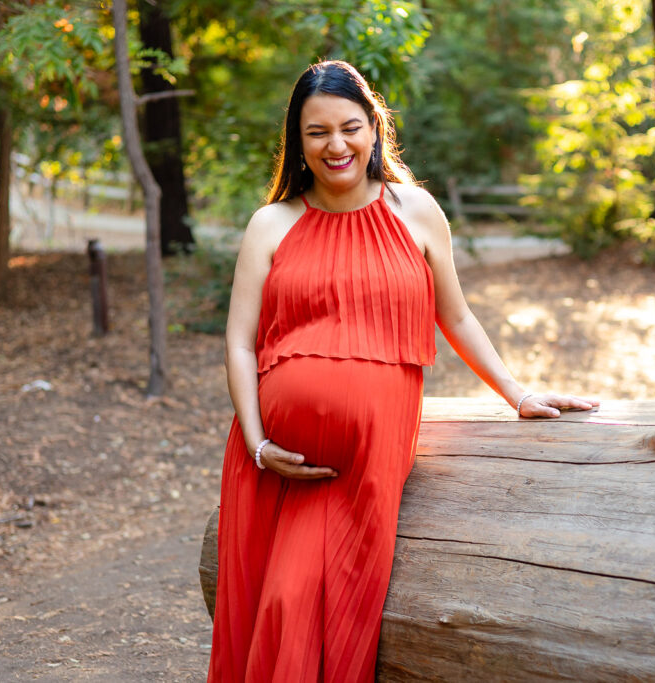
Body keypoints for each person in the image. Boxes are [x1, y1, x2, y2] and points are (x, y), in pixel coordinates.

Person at [208, 60, 597, 682]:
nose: (336, 145)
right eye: (317, 132)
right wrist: (256, 445)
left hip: (370, 457)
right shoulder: (271, 224)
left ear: (374, 130)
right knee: (280, 603)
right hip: (277, 465)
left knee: (332, 610)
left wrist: (516, 393)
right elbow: (239, 343)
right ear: (297, 143)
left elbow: (458, 317)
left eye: (350, 126)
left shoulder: (415, 211)